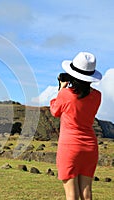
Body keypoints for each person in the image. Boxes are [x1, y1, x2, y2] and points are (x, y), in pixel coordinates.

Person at [50, 52, 102, 200]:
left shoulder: (66, 94)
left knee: (71, 195)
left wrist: (61, 88)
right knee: (86, 194)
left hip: (69, 146)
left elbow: (55, 111)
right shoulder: (97, 96)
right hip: (90, 146)